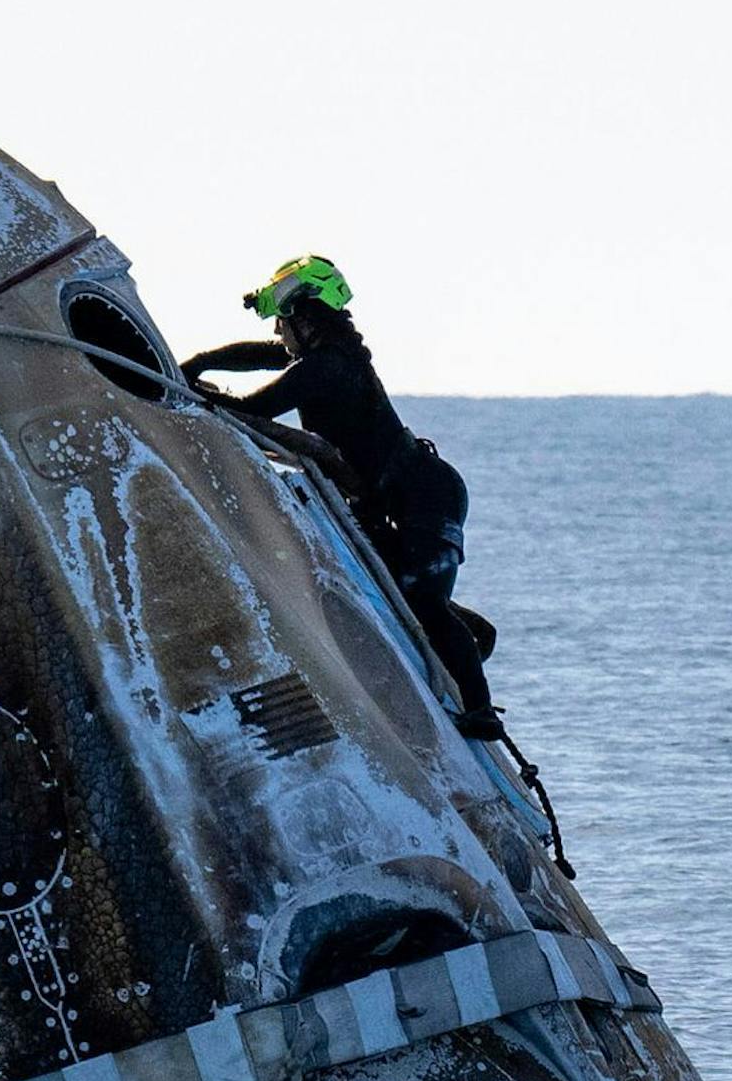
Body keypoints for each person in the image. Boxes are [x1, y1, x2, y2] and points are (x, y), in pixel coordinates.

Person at [181, 256, 504, 741]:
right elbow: (262, 355)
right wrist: (200, 363)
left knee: (423, 601)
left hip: (427, 495)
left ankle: (481, 713)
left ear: (304, 320)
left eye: (282, 321)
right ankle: (473, 634)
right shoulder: (326, 356)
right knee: (403, 591)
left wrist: (194, 388)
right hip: (399, 499)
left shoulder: (327, 367)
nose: (277, 331)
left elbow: (257, 407)